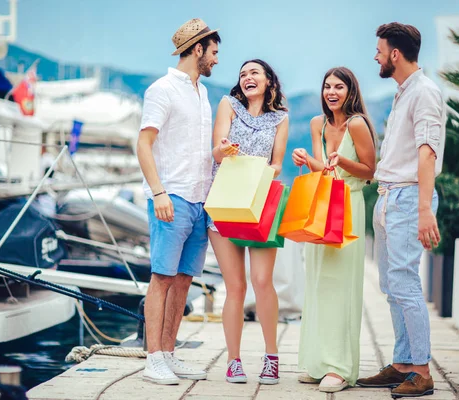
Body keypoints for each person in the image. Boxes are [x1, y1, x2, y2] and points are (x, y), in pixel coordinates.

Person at [356, 23, 445, 399]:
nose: (375, 56)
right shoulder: (403, 93)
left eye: (379, 50)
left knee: (406, 284)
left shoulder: (424, 92)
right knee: (392, 286)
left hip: (410, 200)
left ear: (395, 54)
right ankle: (403, 363)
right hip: (391, 198)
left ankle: (421, 371)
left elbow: (427, 152)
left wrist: (425, 209)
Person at [136, 18, 220, 386]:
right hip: (172, 197)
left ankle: (169, 353)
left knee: (184, 280)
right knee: (162, 278)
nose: (216, 59)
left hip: (200, 200)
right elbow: (143, 143)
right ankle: (152, 357)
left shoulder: (202, 93)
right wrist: (159, 193)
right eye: (214, 52)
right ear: (198, 49)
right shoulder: (162, 89)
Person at [292, 67, 376, 393]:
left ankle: (340, 368)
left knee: (341, 286)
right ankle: (317, 363)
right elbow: (324, 168)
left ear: (350, 90)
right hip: (323, 203)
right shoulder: (318, 124)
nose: (331, 92)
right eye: (327, 86)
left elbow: (370, 170)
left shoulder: (357, 124)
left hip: (351, 202)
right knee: (317, 283)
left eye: (338, 86)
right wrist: (306, 160)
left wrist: (341, 161)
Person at [210, 59, 289, 385]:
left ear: (269, 80)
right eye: (243, 74)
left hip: (259, 205)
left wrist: (255, 173)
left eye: (254, 72)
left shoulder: (281, 118)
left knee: (262, 281)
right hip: (224, 204)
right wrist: (226, 151)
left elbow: (277, 164)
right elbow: (216, 152)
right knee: (236, 287)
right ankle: (233, 361)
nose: (247, 77)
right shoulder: (228, 105)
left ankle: (272, 358)